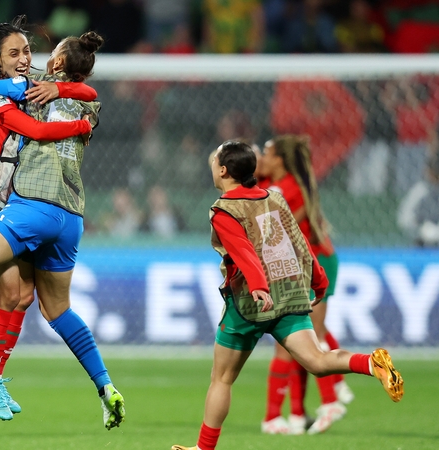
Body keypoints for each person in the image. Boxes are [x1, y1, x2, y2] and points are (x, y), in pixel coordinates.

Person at [0, 31, 127, 430]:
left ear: (55, 62)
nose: (25, 57)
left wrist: (51, 94)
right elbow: (86, 97)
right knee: (30, 300)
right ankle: (103, 386)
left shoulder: (36, 89)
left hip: (27, 204)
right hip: (67, 213)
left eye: (29, 51)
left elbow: (34, 128)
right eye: (15, 52)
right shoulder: (30, 91)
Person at [170, 141, 403, 450]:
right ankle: (370, 363)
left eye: (214, 162)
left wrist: (257, 286)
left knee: (222, 378)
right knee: (317, 361)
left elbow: (243, 252)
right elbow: (299, 242)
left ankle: (204, 448)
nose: (212, 166)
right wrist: (318, 281)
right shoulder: (275, 198)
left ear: (224, 170)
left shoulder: (223, 209)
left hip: (249, 305)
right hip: (290, 293)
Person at [257, 135, 352, 435]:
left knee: (310, 336)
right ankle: (300, 411)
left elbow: (272, 228)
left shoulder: (286, 190)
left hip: (316, 263)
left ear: (280, 160)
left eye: (267, 153)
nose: (263, 157)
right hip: (304, 264)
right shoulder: (279, 186)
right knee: (304, 337)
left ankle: (329, 400)